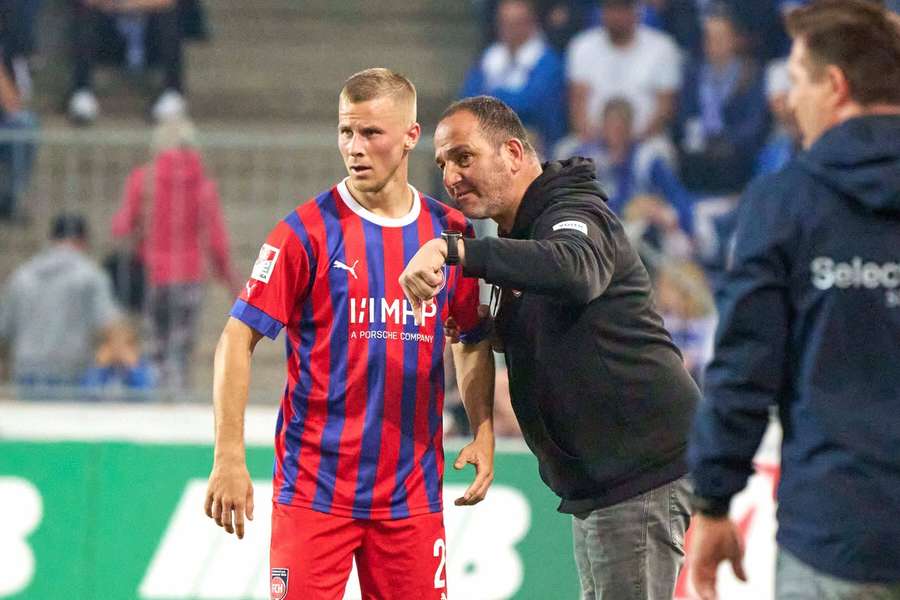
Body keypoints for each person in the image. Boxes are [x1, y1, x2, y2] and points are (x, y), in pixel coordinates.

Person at [203, 68, 496, 600]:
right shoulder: (304, 231)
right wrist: (227, 454)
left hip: (411, 499)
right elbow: (236, 339)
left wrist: (482, 428)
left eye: (370, 134)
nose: (354, 148)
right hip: (315, 493)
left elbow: (470, 337)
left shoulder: (451, 234)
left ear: (411, 136)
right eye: (346, 132)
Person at [400, 95, 700, 600]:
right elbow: (551, 316)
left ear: (514, 153)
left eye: (464, 157)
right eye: (443, 164)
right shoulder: (522, 237)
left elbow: (573, 269)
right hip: (604, 480)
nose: (450, 177)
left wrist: (456, 250)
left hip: (640, 472)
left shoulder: (574, 211)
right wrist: (482, 328)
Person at [687, 2, 900, 599]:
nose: (787, 99)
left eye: (798, 80)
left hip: (835, 534)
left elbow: (743, 369)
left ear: (836, 86)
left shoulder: (785, 204)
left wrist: (712, 500)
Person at [111, 116, 239, 390]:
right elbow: (217, 241)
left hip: (152, 275)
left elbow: (121, 227)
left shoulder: (142, 179)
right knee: (181, 347)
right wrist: (231, 282)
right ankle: (177, 396)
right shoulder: (204, 185)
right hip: (190, 276)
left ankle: (154, 395)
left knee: (153, 343)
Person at [0, 213, 123, 392]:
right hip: (72, 371)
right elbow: (111, 326)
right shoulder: (90, 276)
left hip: (26, 370)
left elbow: (4, 328)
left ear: (52, 239)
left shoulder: (21, 276)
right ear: (83, 241)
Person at [566, 0, 682, 143]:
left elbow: (665, 108)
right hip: (593, 139)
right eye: (611, 9)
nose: (616, 16)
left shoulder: (662, 48)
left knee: (657, 153)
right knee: (566, 150)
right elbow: (577, 105)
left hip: (646, 140)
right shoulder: (582, 46)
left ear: (636, 12)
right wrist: (599, 142)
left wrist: (631, 144)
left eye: (622, 9)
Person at [461, 0, 568, 151]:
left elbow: (532, 105)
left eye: (515, 23)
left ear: (531, 23)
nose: (509, 30)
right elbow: (467, 98)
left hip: (535, 140)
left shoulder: (547, 61)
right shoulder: (489, 57)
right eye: (504, 23)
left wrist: (489, 98)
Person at [68, 0, 187, 123]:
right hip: (111, 37)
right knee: (85, 16)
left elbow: (167, 2)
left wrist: (128, 5)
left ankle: (173, 93)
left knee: (168, 18)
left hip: (149, 38)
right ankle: (82, 93)